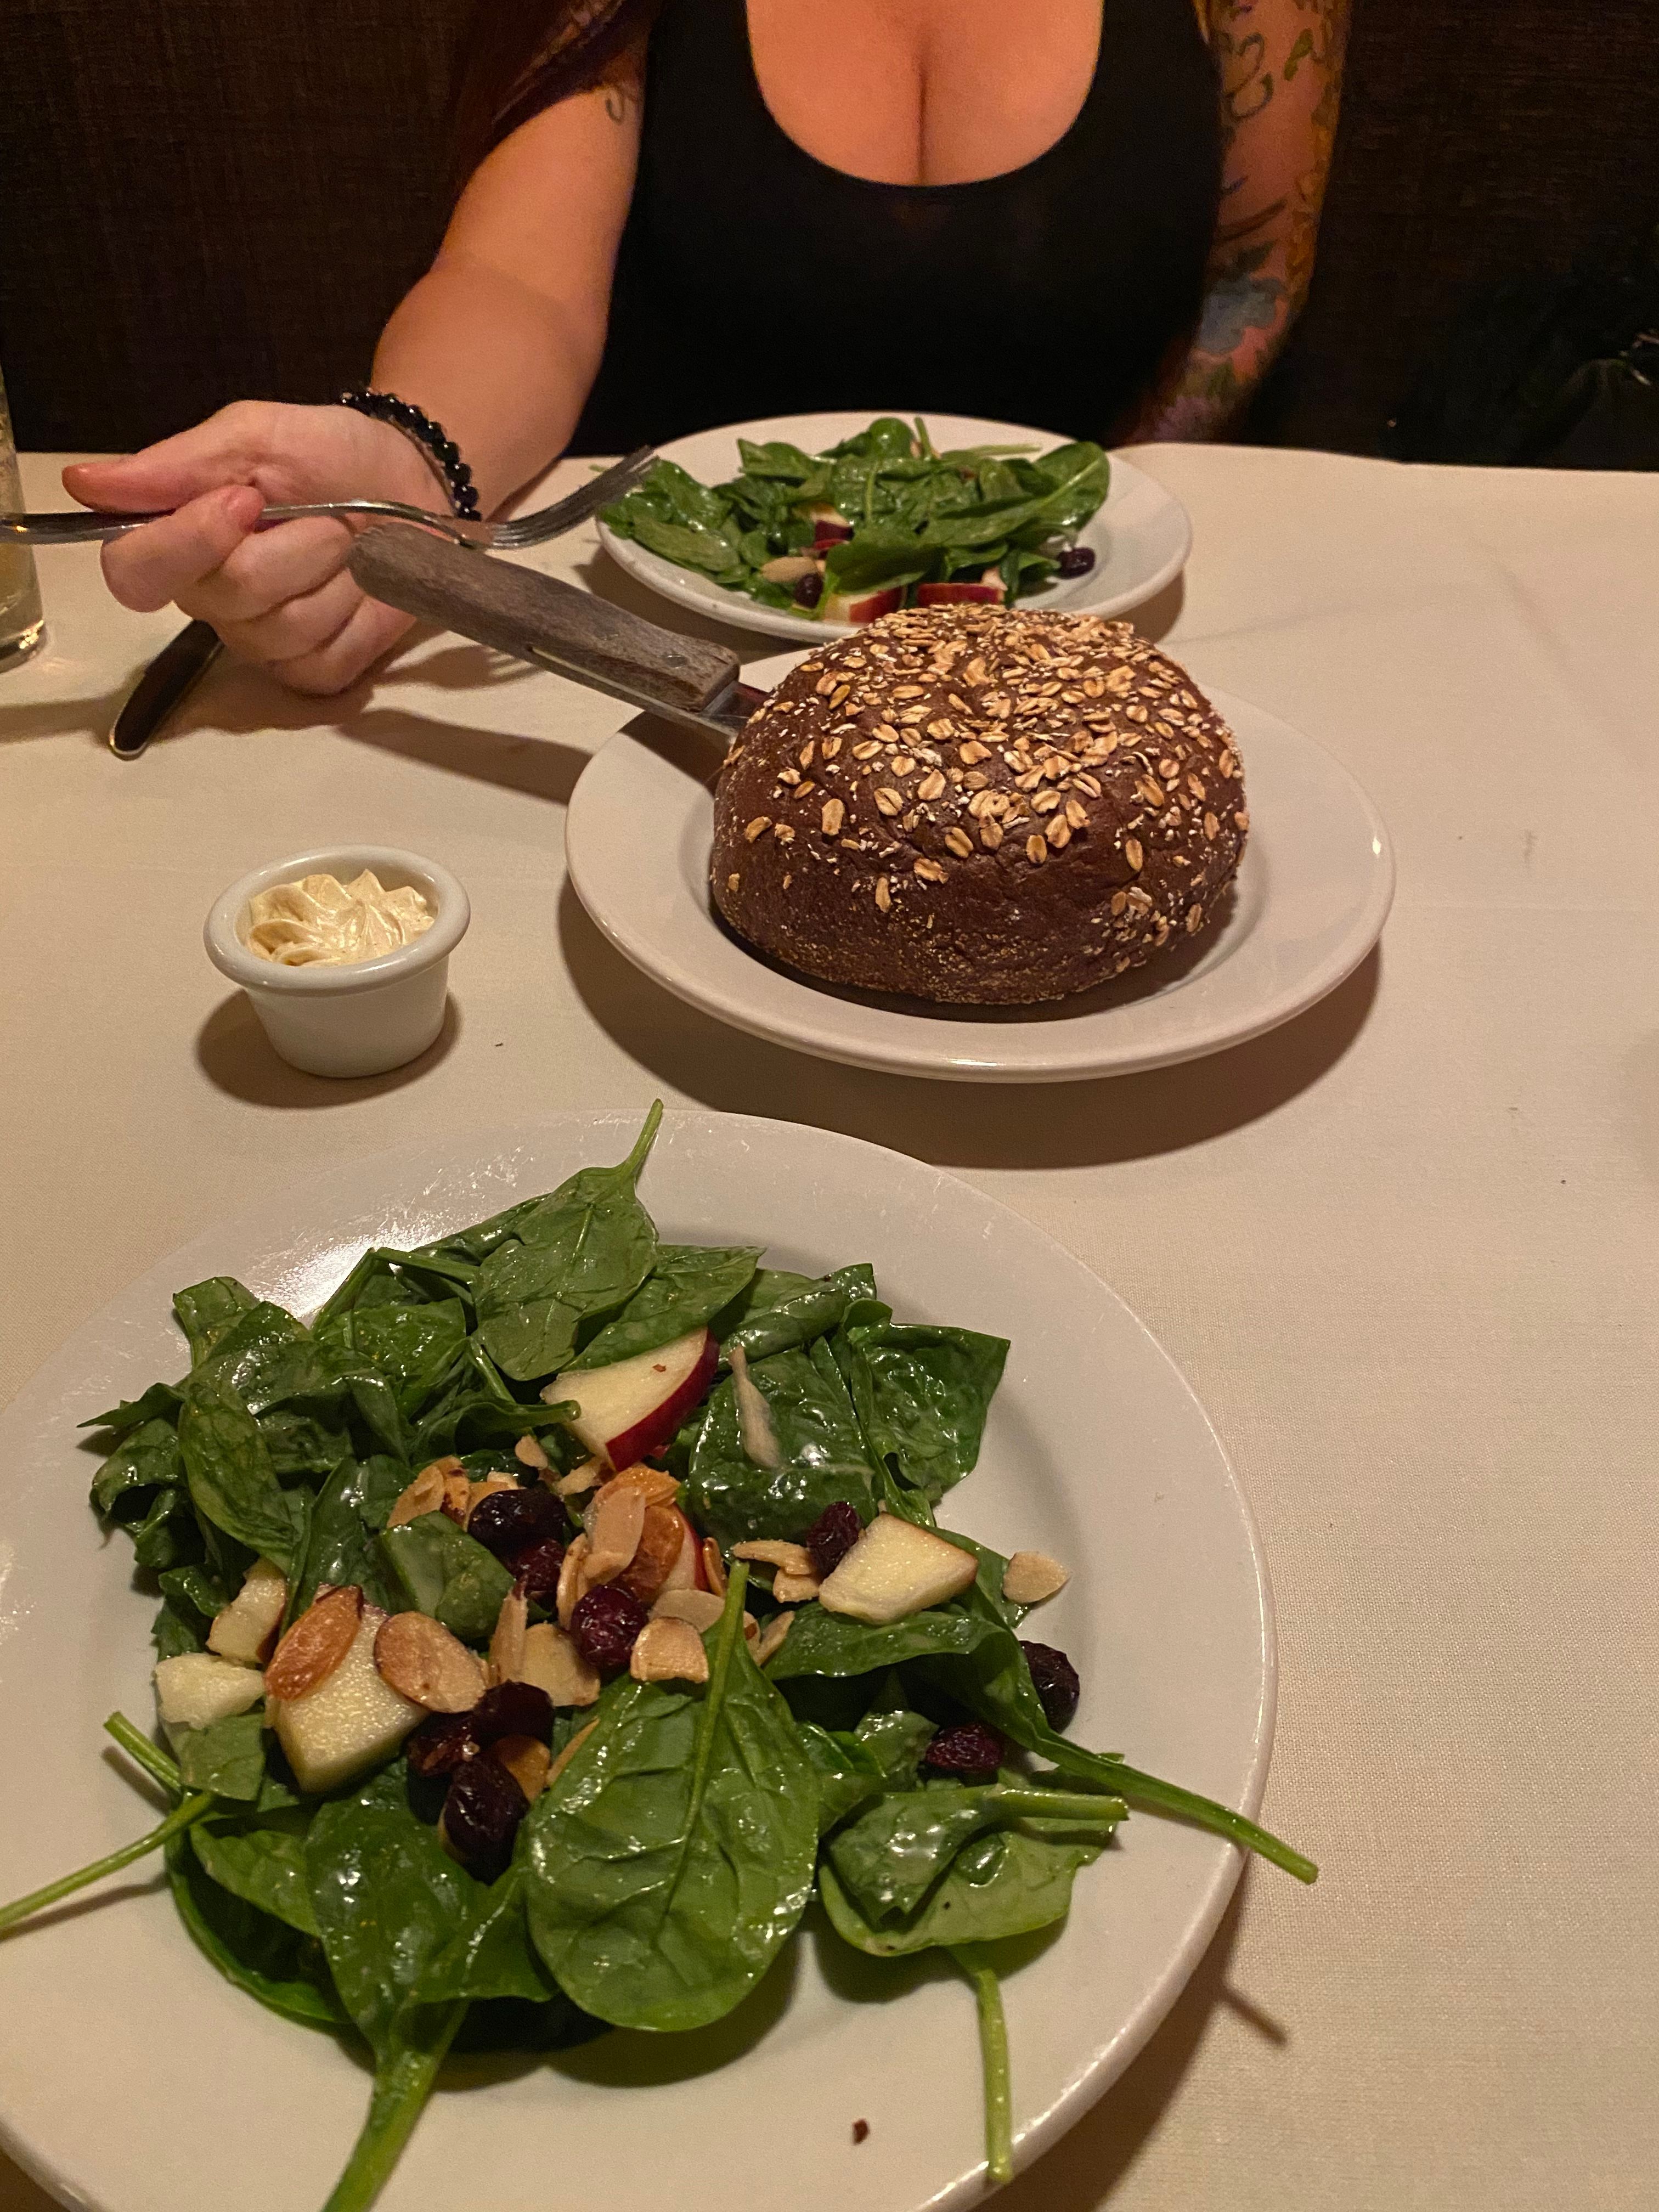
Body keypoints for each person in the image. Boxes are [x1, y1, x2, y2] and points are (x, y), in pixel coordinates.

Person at [68, 0, 1348, 695]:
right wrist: (414, 466)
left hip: (1100, 653)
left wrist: (1098, 533)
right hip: (653, 666)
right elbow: (517, 282)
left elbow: (1251, 284)